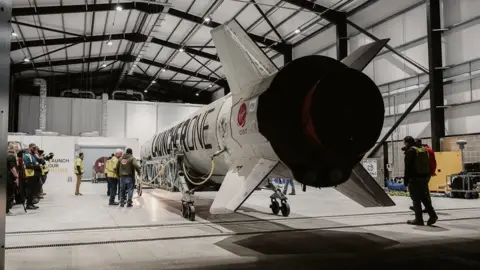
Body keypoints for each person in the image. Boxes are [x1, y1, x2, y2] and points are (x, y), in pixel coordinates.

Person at [403, 136, 438, 226]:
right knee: (424, 197)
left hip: (415, 178)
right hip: (425, 177)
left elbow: (408, 167)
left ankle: (418, 219)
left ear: (407, 143)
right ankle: (432, 215)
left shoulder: (411, 151)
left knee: (415, 199)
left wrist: (406, 180)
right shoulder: (422, 149)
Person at [409, 139, 437, 213]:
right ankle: (428, 207)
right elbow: (433, 162)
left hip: (421, 173)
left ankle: (420, 207)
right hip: (428, 173)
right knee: (424, 190)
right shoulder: (429, 150)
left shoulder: (420, 151)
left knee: (418, 191)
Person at [23, 143, 40, 210]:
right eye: (33, 148)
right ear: (29, 147)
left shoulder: (33, 155)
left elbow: (38, 162)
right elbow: (27, 165)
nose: (35, 149)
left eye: (35, 148)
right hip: (30, 175)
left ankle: (31, 203)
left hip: (35, 175)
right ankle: (28, 204)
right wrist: (37, 166)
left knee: (33, 190)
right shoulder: (27, 155)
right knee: (30, 191)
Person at [7, 145, 19, 214]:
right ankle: (6, 210)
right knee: (9, 194)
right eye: (16, 148)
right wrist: (16, 176)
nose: (17, 149)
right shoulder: (11, 156)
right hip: (10, 178)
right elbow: (12, 168)